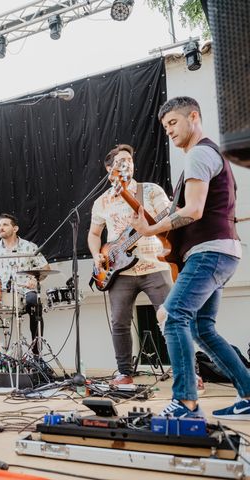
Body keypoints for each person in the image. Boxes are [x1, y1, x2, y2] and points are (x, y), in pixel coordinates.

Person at [132, 96, 248, 419]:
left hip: (209, 253)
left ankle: (185, 402)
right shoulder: (212, 155)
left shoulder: (199, 154)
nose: (168, 130)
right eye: (164, 126)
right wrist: (156, 227)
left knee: (171, 315)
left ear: (193, 117)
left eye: (173, 123)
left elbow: (194, 211)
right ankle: (249, 392)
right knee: (202, 328)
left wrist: (150, 227)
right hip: (224, 253)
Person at [88, 144, 173, 385]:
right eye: (121, 160)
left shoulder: (150, 191)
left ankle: (188, 372)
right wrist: (97, 254)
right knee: (119, 322)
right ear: (109, 168)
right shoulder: (101, 202)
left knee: (171, 318)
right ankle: (125, 373)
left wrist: (149, 228)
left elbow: (169, 218)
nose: (128, 164)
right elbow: (94, 235)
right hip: (118, 271)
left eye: (130, 160)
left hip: (155, 264)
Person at [0, 213, 49, 354]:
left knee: (34, 302)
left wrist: (35, 279)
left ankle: (36, 352)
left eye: (5, 225)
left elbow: (45, 268)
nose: (1, 228)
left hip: (25, 290)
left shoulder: (29, 247)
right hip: (2, 292)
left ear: (15, 228)